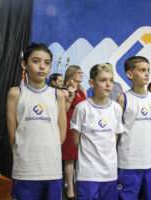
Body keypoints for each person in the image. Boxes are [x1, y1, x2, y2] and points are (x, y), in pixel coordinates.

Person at [6, 43, 67, 200]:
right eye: (36, 61)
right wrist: (23, 156)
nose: (42, 67)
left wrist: (49, 152)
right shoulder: (15, 93)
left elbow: (62, 132)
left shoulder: (57, 95)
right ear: (24, 64)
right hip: (25, 169)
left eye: (47, 62)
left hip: (51, 168)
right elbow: (12, 134)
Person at [71, 63, 124, 200]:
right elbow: (76, 140)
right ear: (91, 83)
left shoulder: (116, 109)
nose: (108, 84)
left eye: (111, 80)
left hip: (110, 172)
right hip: (88, 173)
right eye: (103, 80)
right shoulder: (82, 108)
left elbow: (115, 139)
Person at [117, 56, 151, 200]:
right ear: (130, 74)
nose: (147, 74)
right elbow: (117, 131)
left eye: (148, 70)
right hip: (128, 162)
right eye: (142, 70)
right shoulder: (123, 99)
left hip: (150, 161)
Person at [62, 65, 87, 199]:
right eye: (78, 73)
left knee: (80, 157)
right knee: (70, 158)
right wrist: (70, 97)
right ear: (72, 75)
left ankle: (71, 181)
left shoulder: (82, 90)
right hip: (69, 126)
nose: (81, 74)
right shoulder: (66, 90)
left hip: (82, 127)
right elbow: (63, 111)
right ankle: (70, 189)